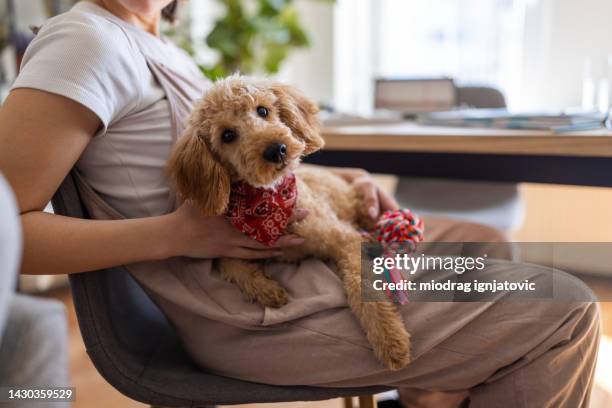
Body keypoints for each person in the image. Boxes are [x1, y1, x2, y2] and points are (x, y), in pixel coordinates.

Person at [0, 1, 600, 407]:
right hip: (252, 305)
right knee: (565, 310)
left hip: (300, 246)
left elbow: (252, 167)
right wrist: (180, 235)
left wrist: (345, 174)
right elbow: (8, 231)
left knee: (482, 242)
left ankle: (433, 387)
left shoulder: (153, 43)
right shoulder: (82, 42)